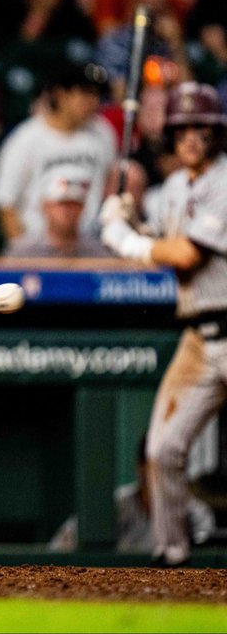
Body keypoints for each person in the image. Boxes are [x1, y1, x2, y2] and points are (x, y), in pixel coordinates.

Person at [98, 82, 227, 566]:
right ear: (171, 135)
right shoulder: (175, 187)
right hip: (198, 337)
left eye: (203, 128)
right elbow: (167, 242)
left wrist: (125, 240)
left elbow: (187, 255)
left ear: (217, 134)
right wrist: (131, 222)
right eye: (184, 129)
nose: (192, 137)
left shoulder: (225, 182)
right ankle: (172, 554)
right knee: (164, 448)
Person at [0, 62, 116, 243]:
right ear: (60, 94)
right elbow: (5, 203)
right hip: (39, 245)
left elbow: (110, 185)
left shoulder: (102, 133)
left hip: (87, 245)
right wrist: (24, 254)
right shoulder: (26, 138)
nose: (92, 101)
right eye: (84, 93)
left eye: (96, 94)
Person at [49, 436, 215, 554]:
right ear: (141, 468)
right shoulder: (116, 505)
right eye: (160, 467)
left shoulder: (195, 512)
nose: (167, 475)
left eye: (175, 467)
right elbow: (60, 547)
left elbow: (207, 555)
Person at [3, 165, 111, 258]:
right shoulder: (22, 252)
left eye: (73, 204)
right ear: (45, 206)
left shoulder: (98, 253)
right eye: (61, 204)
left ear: (83, 207)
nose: (67, 210)